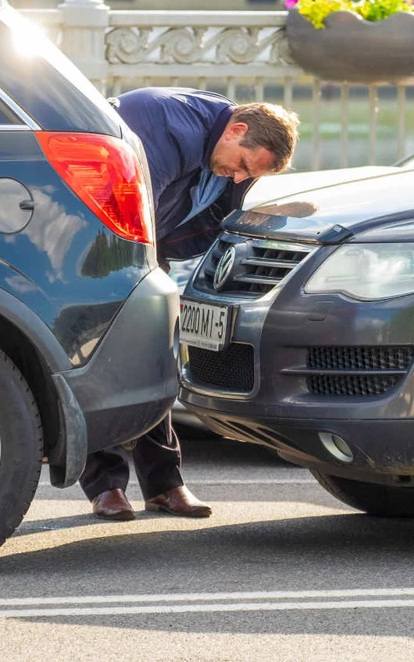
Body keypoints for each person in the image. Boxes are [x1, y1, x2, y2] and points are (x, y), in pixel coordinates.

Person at [82, 87, 300, 521]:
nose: (238, 178)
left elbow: (218, 219)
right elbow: (128, 202)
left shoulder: (230, 146)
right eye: (241, 166)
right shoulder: (167, 124)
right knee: (103, 361)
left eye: (248, 174)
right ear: (236, 130)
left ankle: (164, 485)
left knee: (157, 361)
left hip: (142, 246)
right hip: (101, 244)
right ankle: (105, 485)